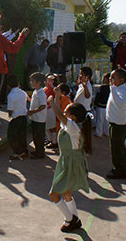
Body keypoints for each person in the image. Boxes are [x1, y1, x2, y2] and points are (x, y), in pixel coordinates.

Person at [48, 92, 92, 233]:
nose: (63, 111)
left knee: (53, 194)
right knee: (66, 193)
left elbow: (59, 114)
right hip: (67, 161)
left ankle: (69, 219)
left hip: (70, 163)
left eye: (66, 110)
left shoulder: (74, 127)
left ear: (72, 117)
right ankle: (76, 219)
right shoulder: (70, 124)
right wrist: (56, 95)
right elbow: (61, 115)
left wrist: (51, 101)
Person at [106, 69, 126, 179]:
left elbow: (120, 103)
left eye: (113, 78)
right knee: (117, 146)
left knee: (117, 147)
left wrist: (112, 89)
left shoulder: (122, 90)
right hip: (115, 121)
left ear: (121, 79)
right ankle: (123, 167)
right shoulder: (118, 88)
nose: (111, 80)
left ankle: (120, 170)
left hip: (119, 123)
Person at [6, 74, 28, 160]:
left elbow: (10, 109)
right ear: (18, 83)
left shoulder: (11, 95)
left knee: (11, 135)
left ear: (8, 86)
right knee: (22, 135)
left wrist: (10, 115)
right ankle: (24, 150)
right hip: (24, 117)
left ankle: (18, 151)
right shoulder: (23, 93)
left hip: (16, 118)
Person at [28, 72, 47, 159]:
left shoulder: (41, 93)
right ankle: (37, 150)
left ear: (39, 83)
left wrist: (33, 111)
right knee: (35, 136)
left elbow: (43, 106)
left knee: (39, 137)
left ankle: (40, 153)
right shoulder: (36, 92)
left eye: (32, 81)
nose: (31, 83)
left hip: (40, 119)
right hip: (35, 118)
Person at [93, 73, 111, 137]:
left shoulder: (102, 88)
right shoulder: (111, 88)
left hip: (100, 106)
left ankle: (99, 133)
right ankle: (107, 132)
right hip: (108, 107)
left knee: (100, 120)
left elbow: (97, 97)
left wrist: (95, 105)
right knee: (107, 121)